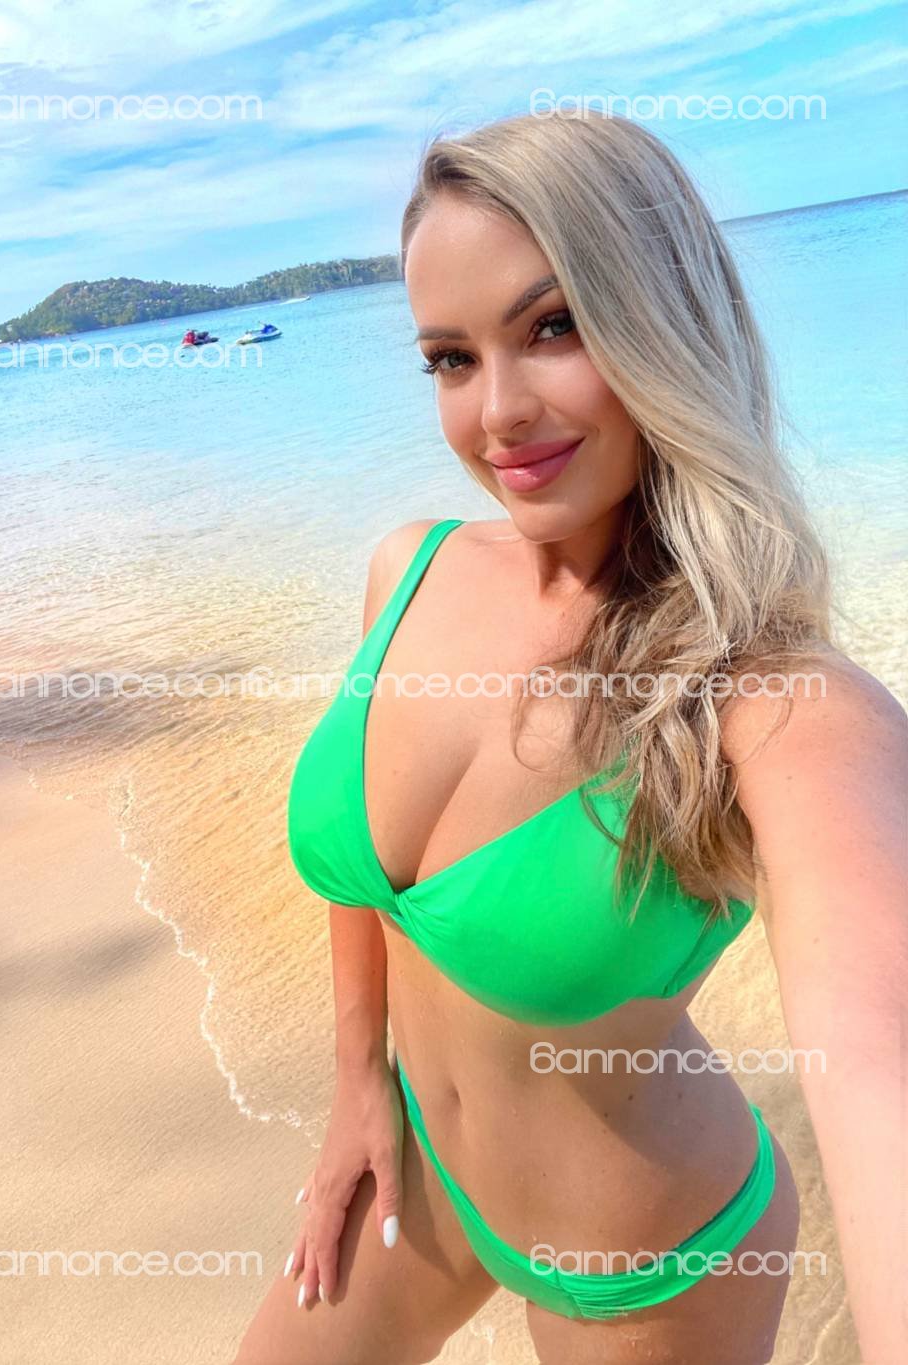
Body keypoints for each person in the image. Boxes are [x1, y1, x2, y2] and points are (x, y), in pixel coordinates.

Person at [234, 110, 906, 1364]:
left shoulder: (772, 702)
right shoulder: (408, 570)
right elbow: (363, 881)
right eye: (450, 358)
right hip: (419, 1175)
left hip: (647, 1264)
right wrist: (355, 1084)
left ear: (661, 322)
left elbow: (880, 1061)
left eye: (552, 327)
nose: (496, 412)